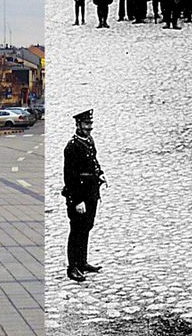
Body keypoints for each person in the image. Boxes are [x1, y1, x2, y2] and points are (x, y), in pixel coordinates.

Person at [63, 109, 105, 282]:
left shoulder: (88, 141)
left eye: (90, 124)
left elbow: (94, 161)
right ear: (78, 125)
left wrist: (100, 173)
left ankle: (82, 262)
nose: (89, 128)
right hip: (79, 195)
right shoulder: (72, 146)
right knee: (76, 230)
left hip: (91, 192)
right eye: (86, 124)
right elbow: (70, 176)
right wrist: (77, 201)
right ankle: (72, 267)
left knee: (87, 226)